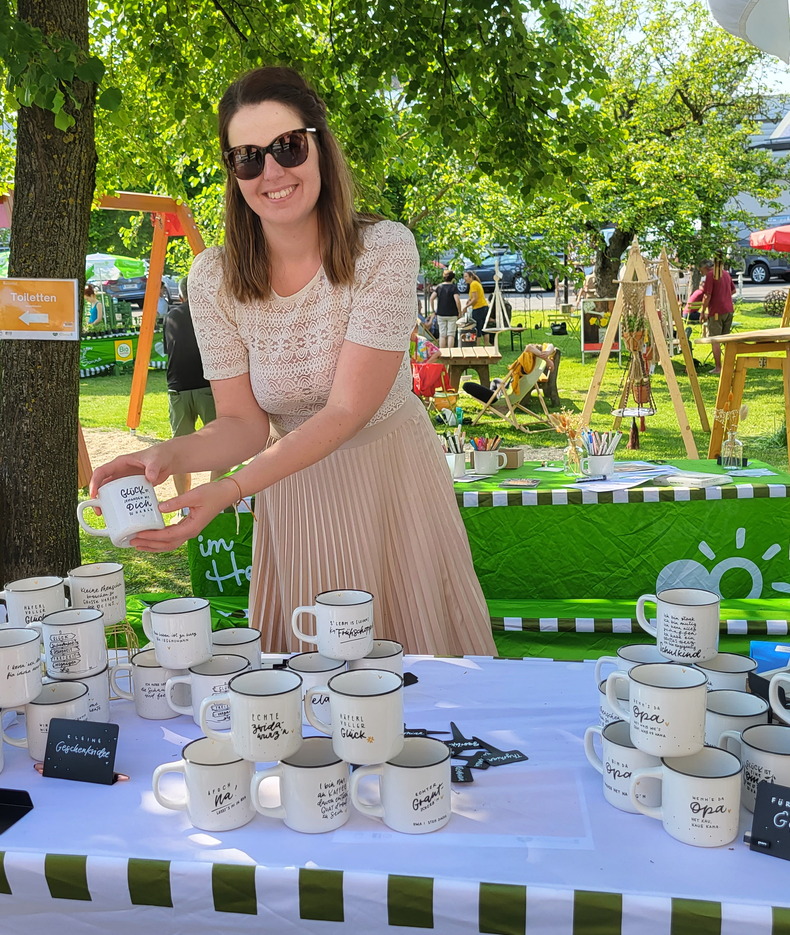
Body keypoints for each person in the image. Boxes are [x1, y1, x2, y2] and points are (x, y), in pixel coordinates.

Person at [89, 65, 494, 656]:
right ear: (233, 174)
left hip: (391, 482)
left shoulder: (382, 249)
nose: (271, 172)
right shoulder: (213, 278)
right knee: (309, 684)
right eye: (247, 158)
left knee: (415, 675)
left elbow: (347, 410)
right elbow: (243, 425)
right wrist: (164, 455)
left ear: (321, 148)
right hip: (290, 487)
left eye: (288, 147)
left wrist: (228, 491)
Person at [163, 275, 216, 495]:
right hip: (206, 385)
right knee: (221, 446)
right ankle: (217, 500)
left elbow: (169, 349)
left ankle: (182, 504)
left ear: (181, 295)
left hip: (177, 387)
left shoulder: (170, 316)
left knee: (179, 450)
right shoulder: (209, 314)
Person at [461, 343, 552, 413]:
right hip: (509, 393)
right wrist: (547, 355)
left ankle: (497, 404)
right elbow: (551, 346)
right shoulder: (534, 367)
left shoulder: (527, 364)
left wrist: (546, 358)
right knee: (496, 380)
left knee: (466, 385)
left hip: (502, 397)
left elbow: (528, 347)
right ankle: (495, 399)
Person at [701, 257, 735, 370]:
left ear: (706, 268)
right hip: (729, 310)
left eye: (701, 272)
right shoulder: (725, 273)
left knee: (715, 339)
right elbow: (733, 290)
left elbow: (707, 295)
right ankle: (730, 364)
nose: (702, 274)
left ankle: (718, 367)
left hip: (716, 311)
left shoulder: (711, 275)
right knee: (726, 339)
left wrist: (702, 312)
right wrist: (724, 296)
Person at [434, 270, 459, 346]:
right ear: (453, 278)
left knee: (442, 334)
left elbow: (431, 298)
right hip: (452, 313)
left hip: (441, 313)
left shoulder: (439, 287)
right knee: (451, 334)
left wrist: (433, 310)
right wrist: (459, 311)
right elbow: (457, 300)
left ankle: (442, 353)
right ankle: (450, 352)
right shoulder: (454, 288)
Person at [465, 270, 489, 342]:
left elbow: (475, 299)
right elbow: (476, 295)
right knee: (484, 328)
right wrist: (469, 299)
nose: (464, 279)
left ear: (471, 277)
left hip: (478, 308)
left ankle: (477, 347)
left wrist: (466, 307)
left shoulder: (473, 284)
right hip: (484, 307)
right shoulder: (476, 283)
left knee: (477, 329)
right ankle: (486, 346)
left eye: (466, 276)